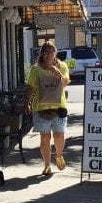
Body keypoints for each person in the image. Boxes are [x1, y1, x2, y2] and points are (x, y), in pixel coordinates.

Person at [24, 42, 71, 176]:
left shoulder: (62, 66)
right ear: (42, 54)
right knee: (45, 137)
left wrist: (56, 72)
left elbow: (65, 83)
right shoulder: (36, 69)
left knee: (59, 135)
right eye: (46, 52)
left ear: (55, 53)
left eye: (52, 52)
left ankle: (59, 155)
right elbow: (30, 87)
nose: (49, 55)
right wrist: (26, 103)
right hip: (41, 108)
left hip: (59, 107)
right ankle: (46, 165)